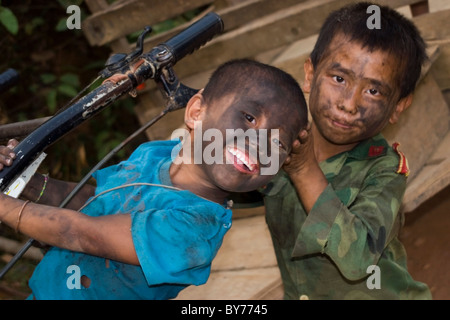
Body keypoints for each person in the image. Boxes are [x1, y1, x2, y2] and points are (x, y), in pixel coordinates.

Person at [0, 59, 308, 299]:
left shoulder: (194, 230)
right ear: (196, 112)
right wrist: (25, 182)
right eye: (249, 118)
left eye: (277, 143)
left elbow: (83, 233)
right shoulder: (158, 153)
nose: (258, 144)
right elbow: (97, 203)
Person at [260, 2, 432, 299]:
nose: (349, 104)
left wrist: (303, 170)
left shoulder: (384, 171)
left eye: (373, 91)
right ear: (310, 75)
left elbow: (359, 259)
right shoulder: (282, 141)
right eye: (339, 79)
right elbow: (232, 185)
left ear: (398, 107)